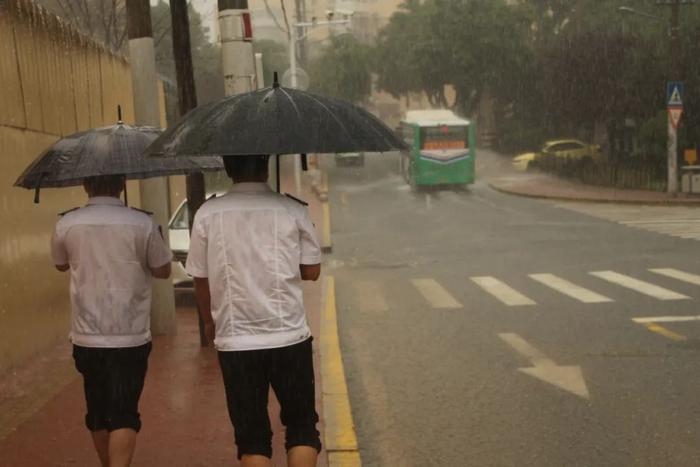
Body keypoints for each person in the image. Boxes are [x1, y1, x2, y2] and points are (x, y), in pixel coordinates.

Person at [186, 155, 322, 467]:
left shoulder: (207, 213)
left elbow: (200, 278)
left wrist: (210, 323)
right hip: (289, 337)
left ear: (229, 169)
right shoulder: (292, 208)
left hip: (236, 342)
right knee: (302, 428)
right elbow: (312, 271)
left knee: (252, 436)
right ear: (265, 168)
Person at [51, 174, 172, 467]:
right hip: (130, 335)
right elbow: (163, 271)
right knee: (125, 411)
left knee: (97, 410)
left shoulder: (66, 223)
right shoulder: (141, 222)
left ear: (85, 185)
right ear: (121, 185)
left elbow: (60, 263)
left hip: (87, 335)